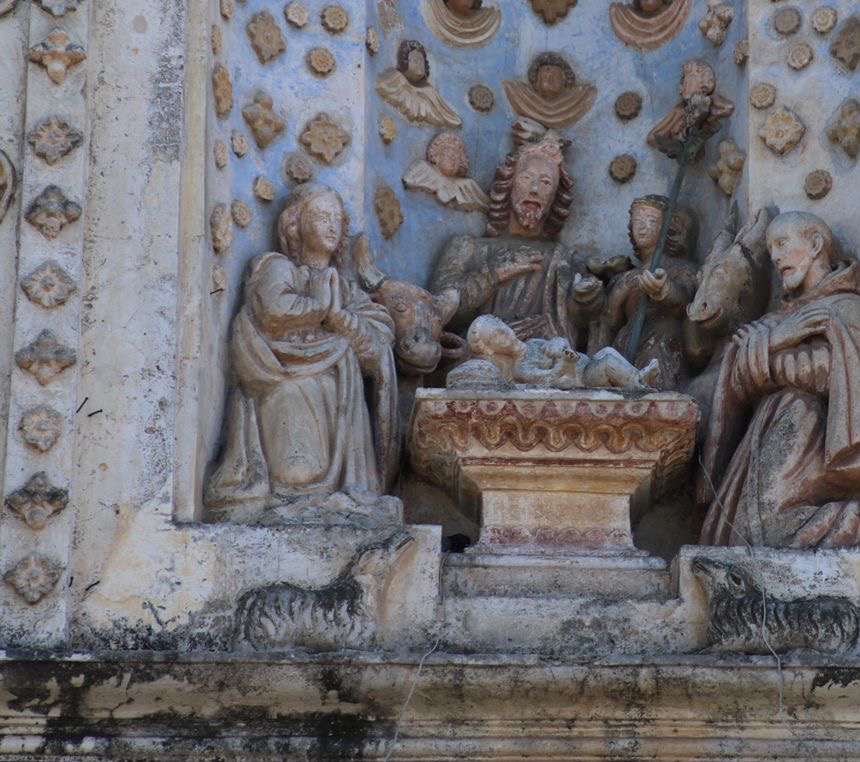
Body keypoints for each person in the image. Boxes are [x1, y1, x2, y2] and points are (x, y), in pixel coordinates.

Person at [699, 210, 860, 549]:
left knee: (763, 534)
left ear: (815, 244)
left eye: (783, 244)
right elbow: (737, 376)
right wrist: (778, 338)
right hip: (770, 430)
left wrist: (768, 354)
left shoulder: (846, 310)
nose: (777, 257)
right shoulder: (781, 319)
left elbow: (830, 372)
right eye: (771, 250)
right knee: (724, 535)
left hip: (810, 429)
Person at [204, 185, 400, 524]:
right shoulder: (277, 266)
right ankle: (293, 499)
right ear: (295, 224)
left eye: (337, 219)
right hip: (282, 377)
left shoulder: (347, 288)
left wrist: (344, 322)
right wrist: (323, 309)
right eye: (321, 217)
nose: (331, 226)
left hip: (336, 389)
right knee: (298, 461)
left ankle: (334, 496)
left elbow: (378, 344)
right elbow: (274, 309)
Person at [430, 131, 602, 345]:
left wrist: (587, 300)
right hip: (481, 358)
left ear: (555, 197)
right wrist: (492, 274)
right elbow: (437, 312)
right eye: (526, 178)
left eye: (546, 183)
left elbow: (581, 319)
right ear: (508, 184)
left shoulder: (563, 259)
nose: (535, 190)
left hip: (545, 361)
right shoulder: (468, 248)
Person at [590, 195, 701, 389]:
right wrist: (619, 292)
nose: (642, 227)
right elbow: (610, 321)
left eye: (652, 221)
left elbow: (688, 304)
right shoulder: (625, 277)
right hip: (626, 342)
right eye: (637, 221)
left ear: (667, 228)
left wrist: (666, 291)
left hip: (662, 337)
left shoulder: (681, 269)